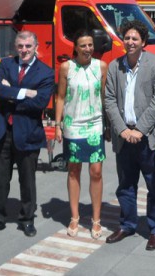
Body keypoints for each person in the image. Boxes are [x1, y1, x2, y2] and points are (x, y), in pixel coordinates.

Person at [104, 20, 155, 250]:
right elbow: (110, 100)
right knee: (125, 185)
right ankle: (127, 224)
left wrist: (139, 130)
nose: (130, 42)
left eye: (135, 38)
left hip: (147, 137)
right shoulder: (115, 66)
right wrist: (123, 130)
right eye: (127, 38)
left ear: (143, 42)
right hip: (124, 137)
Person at [0, 30, 55, 238]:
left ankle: (26, 220)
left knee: (27, 180)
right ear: (16, 47)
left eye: (28, 46)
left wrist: (11, 93)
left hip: (28, 133)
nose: (24, 50)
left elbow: (39, 102)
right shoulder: (6, 65)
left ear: (36, 47)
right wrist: (25, 93)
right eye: (20, 46)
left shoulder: (46, 72)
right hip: (1, 132)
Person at [54, 30, 109, 239]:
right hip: (73, 124)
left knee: (96, 171)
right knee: (74, 170)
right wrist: (57, 125)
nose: (88, 49)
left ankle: (96, 220)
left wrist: (109, 125)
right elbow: (60, 97)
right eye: (83, 45)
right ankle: (74, 217)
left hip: (94, 123)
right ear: (75, 47)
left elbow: (104, 98)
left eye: (90, 45)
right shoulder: (67, 67)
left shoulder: (101, 66)